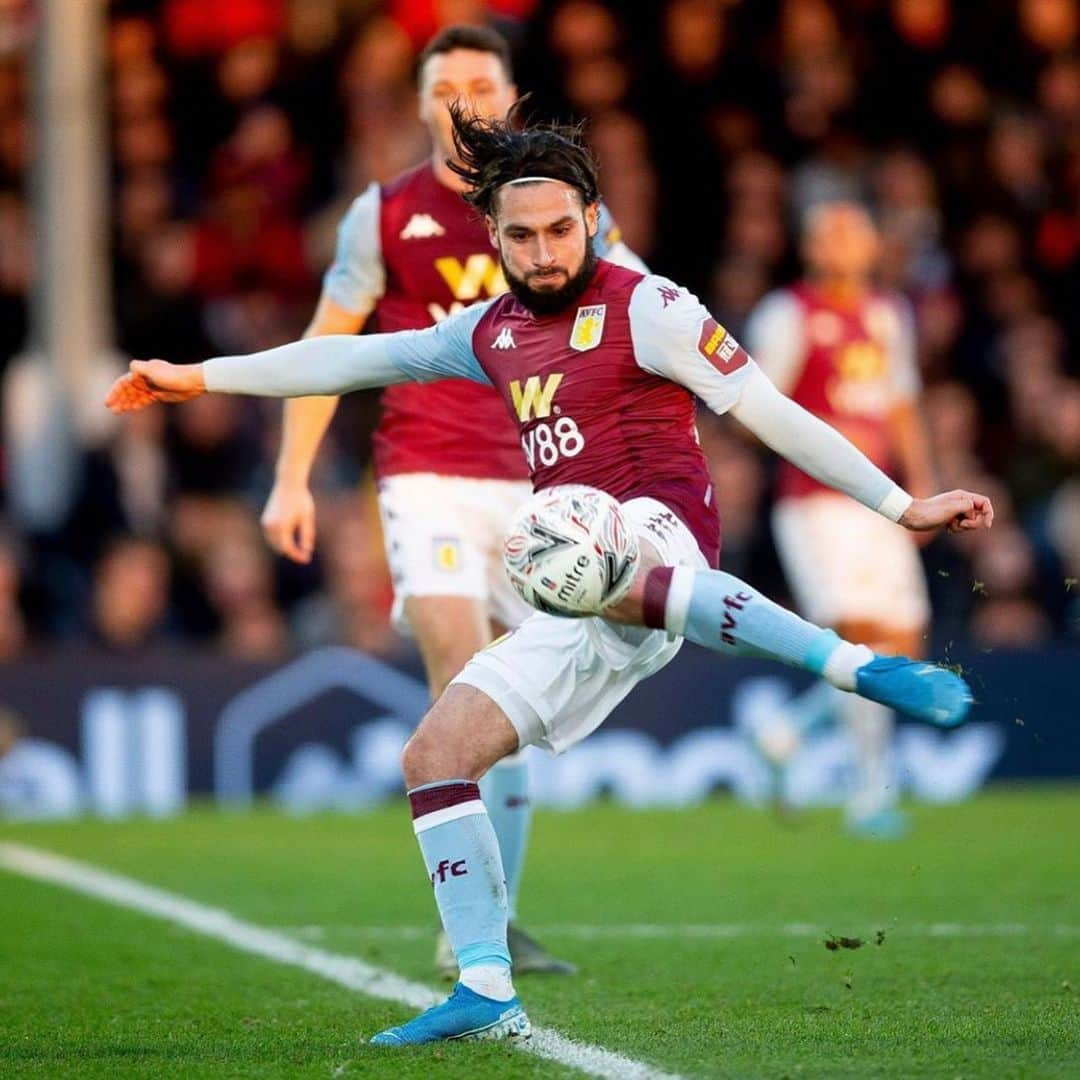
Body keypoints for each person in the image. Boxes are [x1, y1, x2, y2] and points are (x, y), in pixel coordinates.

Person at [106, 105, 993, 1046]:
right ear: (492, 236)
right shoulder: (486, 332)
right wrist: (198, 376)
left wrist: (903, 506)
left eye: (560, 231)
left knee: (563, 532)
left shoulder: (650, 307)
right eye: (521, 236)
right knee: (435, 757)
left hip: (662, 535)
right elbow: (352, 356)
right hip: (578, 589)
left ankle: (853, 667)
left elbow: (773, 413)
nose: (542, 252)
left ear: (592, 219)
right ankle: (487, 989)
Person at [260, 24, 643, 977]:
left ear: (512, 97)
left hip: (544, 478)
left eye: (480, 82)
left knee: (508, 705)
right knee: (459, 672)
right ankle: (467, 929)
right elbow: (328, 349)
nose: (463, 100)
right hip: (426, 473)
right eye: (445, 87)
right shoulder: (383, 215)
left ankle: (492, 916)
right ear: (423, 103)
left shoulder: (557, 209)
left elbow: (644, 309)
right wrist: (289, 475)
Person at [743, 201, 937, 837]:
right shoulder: (788, 313)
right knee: (858, 639)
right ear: (810, 247)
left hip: (880, 500)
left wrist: (925, 485)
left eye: (854, 230)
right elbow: (759, 402)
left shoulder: (887, 313)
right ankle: (868, 796)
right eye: (829, 232)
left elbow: (901, 405)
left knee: (904, 643)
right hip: (817, 500)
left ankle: (787, 730)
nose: (843, 242)